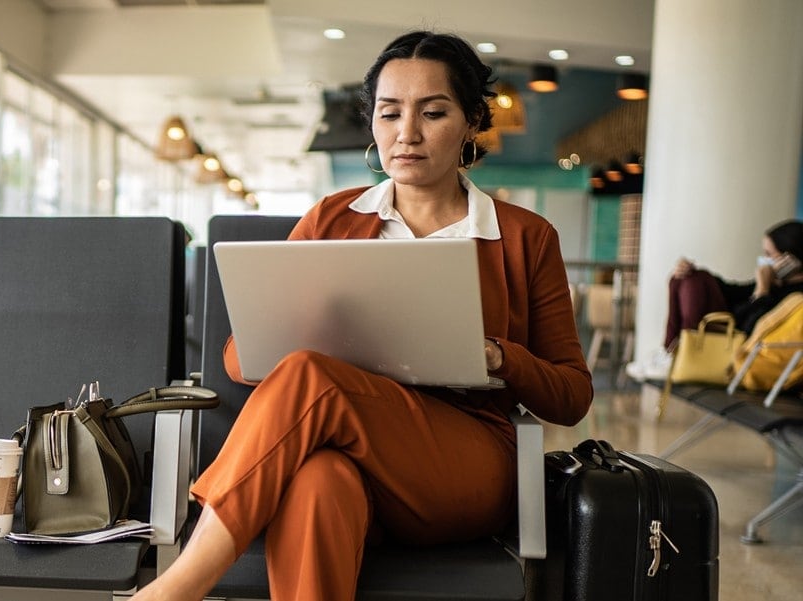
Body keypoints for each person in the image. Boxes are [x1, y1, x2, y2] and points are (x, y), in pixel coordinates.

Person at [131, 30, 592, 601]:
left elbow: (571, 396)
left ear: (472, 120)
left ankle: (182, 584)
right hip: (349, 455)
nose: (408, 134)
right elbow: (238, 359)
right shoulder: (331, 217)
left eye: (434, 112)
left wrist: (499, 356)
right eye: (390, 112)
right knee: (317, 482)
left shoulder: (525, 237)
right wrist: (307, 323)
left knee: (312, 376)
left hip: (465, 464)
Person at [627, 220, 803, 382]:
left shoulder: (795, 296)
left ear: (791, 260)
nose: (764, 261)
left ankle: (678, 353)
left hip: (736, 344)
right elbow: (733, 291)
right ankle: (670, 352)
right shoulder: (776, 283)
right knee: (687, 278)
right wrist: (691, 270)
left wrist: (762, 291)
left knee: (696, 280)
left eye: (769, 254)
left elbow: (752, 327)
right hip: (724, 332)